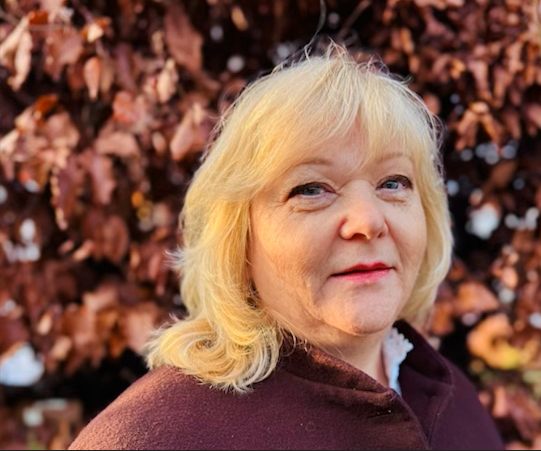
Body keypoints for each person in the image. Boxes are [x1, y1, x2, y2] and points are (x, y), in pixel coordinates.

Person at [68, 44, 504, 450]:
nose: (368, 222)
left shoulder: (457, 401)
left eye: (393, 183)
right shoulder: (150, 439)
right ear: (238, 238)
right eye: (311, 189)